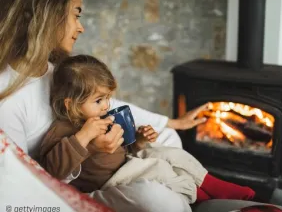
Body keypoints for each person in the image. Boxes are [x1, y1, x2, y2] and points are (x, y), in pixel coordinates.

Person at [0, 0, 207, 211]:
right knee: (158, 199)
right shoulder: (7, 99)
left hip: (99, 168)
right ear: (48, 16)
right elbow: (23, 184)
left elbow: (109, 104)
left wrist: (171, 122)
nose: (81, 28)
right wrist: (89, 147)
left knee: (167, 135)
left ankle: (174, 189)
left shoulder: (52, 72)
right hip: (66, 190)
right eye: (75, 15)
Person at [39, 54, 255, 204]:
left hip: (127, 162)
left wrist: (139, 141)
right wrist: (83, 138)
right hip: (110, 180)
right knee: (160, 169)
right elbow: (53, 170)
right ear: (71, 104)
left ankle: (214, 184)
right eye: (98, 100)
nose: (106, 105)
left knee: (169, 153)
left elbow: (123, 150)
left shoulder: (101, 116)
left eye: (107, 98)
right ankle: (203, 199)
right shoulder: (60, 131)